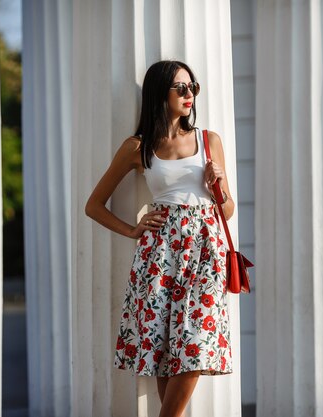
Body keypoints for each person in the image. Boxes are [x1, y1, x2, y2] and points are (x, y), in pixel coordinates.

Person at [85, 60, 234, 417]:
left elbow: (227, 212)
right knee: (166, 348)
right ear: (159, 93)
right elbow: (94, 205)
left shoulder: (209, 141)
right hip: (160, 253)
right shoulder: (137, 147)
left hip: (205, 251)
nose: (189, 95)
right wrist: (133, 230)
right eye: (180, 88)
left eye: (192, 86)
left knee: (197, 341)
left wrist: (220, 185)